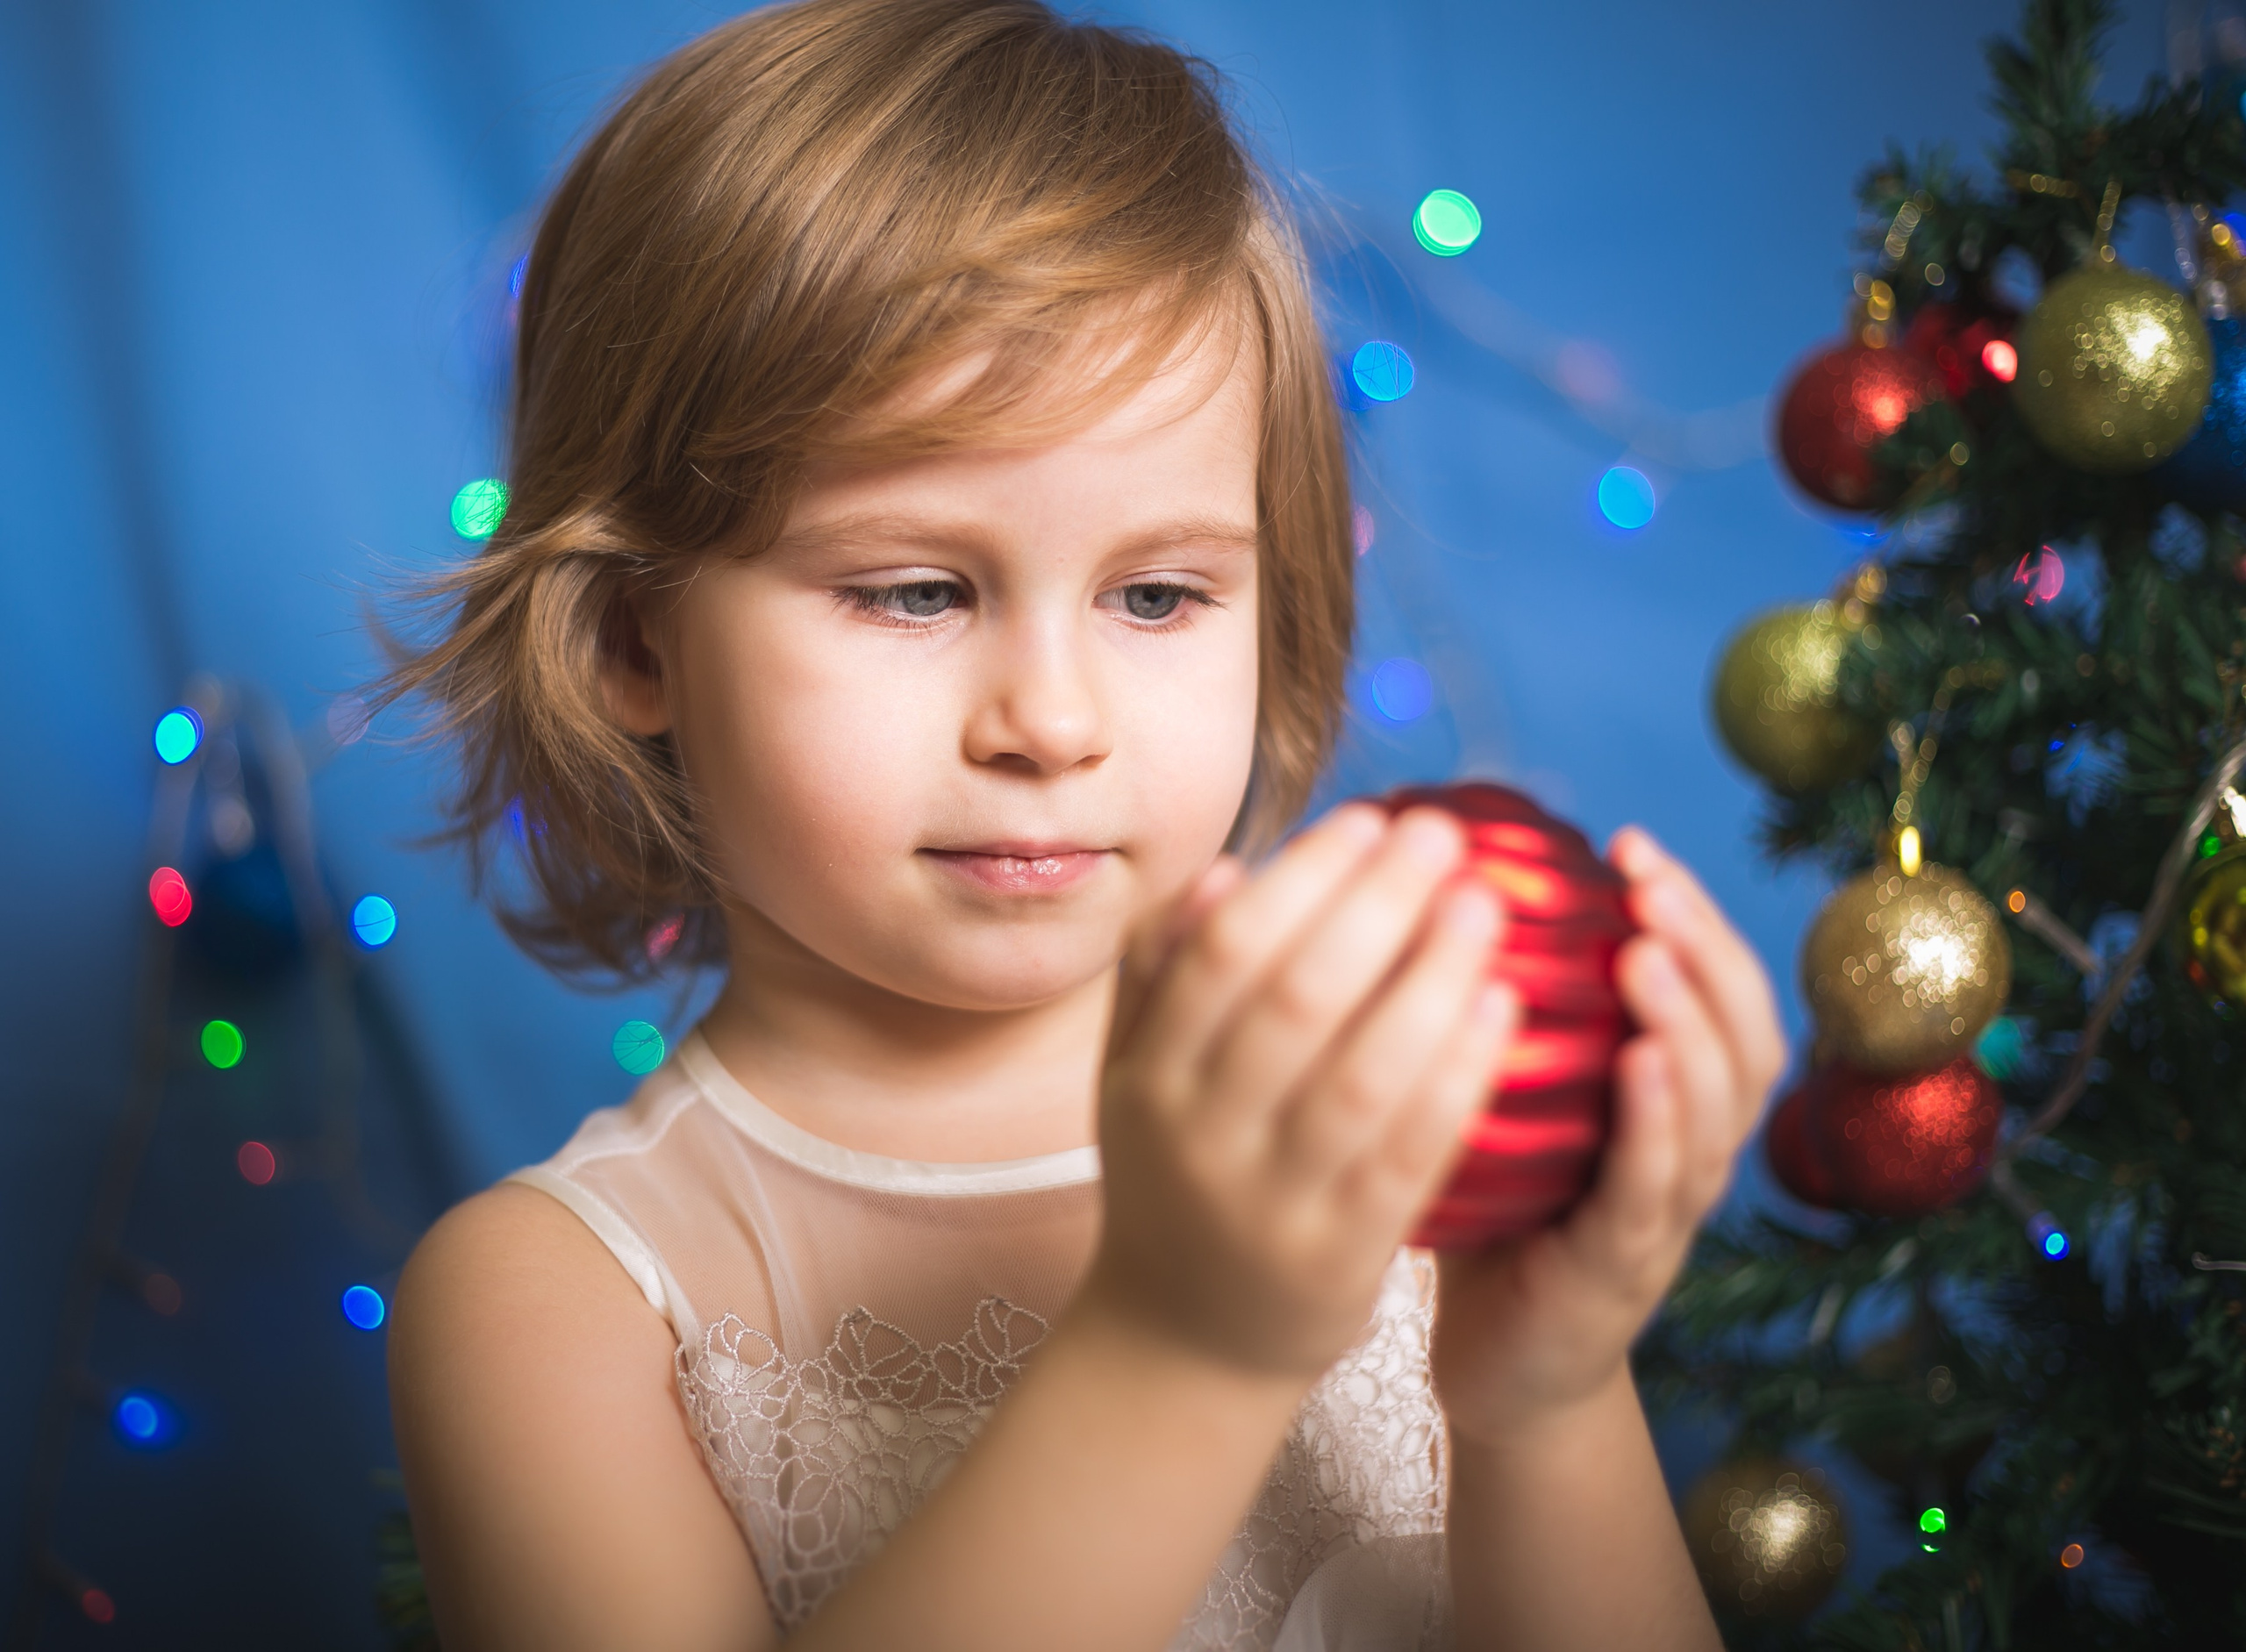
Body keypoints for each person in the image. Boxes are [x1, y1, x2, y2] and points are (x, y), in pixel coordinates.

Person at [383, 2, 1786, 1647]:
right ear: (633, 637)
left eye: (1157, 594)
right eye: (915, 591)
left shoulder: (1388, 1115)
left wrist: (1544, 1396)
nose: (1050, 722)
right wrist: (1188, 1343)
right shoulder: (557, 1305)